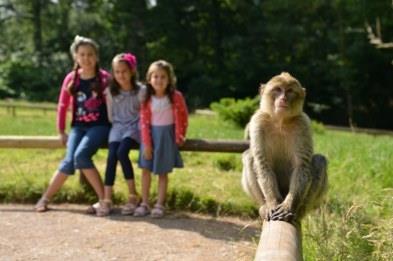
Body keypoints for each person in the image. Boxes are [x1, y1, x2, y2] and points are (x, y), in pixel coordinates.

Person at [35, 35, 111, 215]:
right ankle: (45, 198)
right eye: (82, 54)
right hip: (78, 126)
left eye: (90, 54)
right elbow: (62, 105)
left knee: (82, 156)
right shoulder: (72, 78)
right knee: (69, 162)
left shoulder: (104, 78)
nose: (86, 58)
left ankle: (104, 201)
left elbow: (115, 103)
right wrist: (61, 130)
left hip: (99, 126)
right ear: (76, 57)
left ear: (97, 56)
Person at [134, 60, 188, 218]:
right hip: (149, 137)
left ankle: (159, 204)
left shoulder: (175, 97)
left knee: (162, 172)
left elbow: (183, 116)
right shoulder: (147, 98)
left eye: (163, 76)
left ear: (169, 79)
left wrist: (180, 135)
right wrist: (146, 144)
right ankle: (144, 203)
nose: (159, 80)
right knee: (146, 170)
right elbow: (143, 122)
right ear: (149, 78)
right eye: (155, 76)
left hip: (166, 137)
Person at [98, 53, 146, 216]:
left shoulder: (141, 91)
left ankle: (133, 195)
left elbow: (144, 113)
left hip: (134, 127)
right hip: (117, 127)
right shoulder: (111, 92)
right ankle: (107, 198)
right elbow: (111, 116)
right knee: (112, 156)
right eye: (117, 72)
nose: (121, 75)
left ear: (132, 71)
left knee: (122, 152)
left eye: (124, 71)